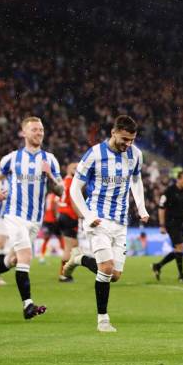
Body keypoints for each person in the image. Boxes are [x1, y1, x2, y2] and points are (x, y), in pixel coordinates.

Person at [64, 115, 149, 332]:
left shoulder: (135, 155)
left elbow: (136, 181)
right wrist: (87, 215)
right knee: (106, 268)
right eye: (124, 139)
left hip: (121, 222)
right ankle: (103, 320)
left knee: (115, 276)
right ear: (113, 132)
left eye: (131, 140)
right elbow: (75, 188)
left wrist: (141, 207)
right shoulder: (94, 154)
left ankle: (80, 259)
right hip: (97, 219)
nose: (127, 144)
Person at [0, 116, 64, 320]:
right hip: (14, 216)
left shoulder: (50, 159)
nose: (39, 133)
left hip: (35, 219)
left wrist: (50, 176)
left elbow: (61, 190)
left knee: (13, 259)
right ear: (24, 133)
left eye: (41, 129)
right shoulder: (11, 158)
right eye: (35, 129)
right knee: (26, 256)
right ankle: (28, 305)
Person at [151, 170, 183, 282]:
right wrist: (162, 225)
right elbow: (161, 208)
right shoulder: (169, 191)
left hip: (182, 224)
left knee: (179, 249)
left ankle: (158, 266)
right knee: (180, 247)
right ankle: (181, 276)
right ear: (178, 179)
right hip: (171, 223)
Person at [57, 162, 79, 282]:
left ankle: (67, 272)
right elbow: (73, 201)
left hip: (63, 214)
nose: (77, 170)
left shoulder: (65, 181)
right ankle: (63, 274)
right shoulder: (71, 182)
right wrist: (80, 214)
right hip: (69, 215)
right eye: (75, 168)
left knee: (75, 247)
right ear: (69, 170)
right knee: (69, 248)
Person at [39, 193, 63, 264]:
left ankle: (42, 257)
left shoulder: (48, 196)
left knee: (46, 239)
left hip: (46, 220)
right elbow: (55, 208)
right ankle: (64, 254)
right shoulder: (56, 197)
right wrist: (57, 217)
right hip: (53, 221)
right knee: (60, 238)